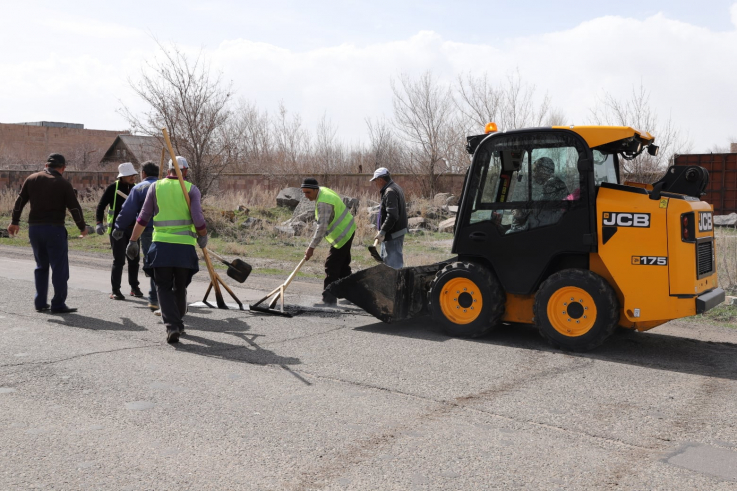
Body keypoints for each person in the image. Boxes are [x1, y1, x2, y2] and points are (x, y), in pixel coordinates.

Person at [126, 157, 208, 344]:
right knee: (180, 287)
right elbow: (198, 218)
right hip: (184, 249)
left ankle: (172, 325)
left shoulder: (155, 188)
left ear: (169, 169)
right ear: (185, 171)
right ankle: (177, 324)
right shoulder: (191, 190)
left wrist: (133, 240)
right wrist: (203, 234)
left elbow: (143, 217)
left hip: (161, 246)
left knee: (163, 286)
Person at [7, 153, 88, 313]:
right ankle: (58, 304)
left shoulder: (32, 179)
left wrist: (14, 221)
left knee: (41, 266)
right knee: (59, 268)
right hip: (54, 229)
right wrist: (82, 227)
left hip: (35, 229)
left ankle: (40, 302)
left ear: (46, 165)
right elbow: (74, 208)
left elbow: (20, 201)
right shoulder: (63, 183)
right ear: (63, 168)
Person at [301, 178, 356, 307]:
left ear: (315, 190)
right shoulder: (323, 191)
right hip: (348, 229)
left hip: (343, 233)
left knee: (331, 265)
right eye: (304, 192)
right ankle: (353, 295)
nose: (306, 196)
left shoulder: (323, 203)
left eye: (308, 192)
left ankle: (329, 300)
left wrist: (311, 247)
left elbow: (321, 228)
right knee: (342, 267)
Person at [113, 160, 159, 311]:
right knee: (165, 261)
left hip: (147, 230)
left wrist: (119, 226)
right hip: (168, 230)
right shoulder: (165, 186)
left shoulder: (139, 188)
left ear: (143, 173)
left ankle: (154, 297)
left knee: (152, 261)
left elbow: (128, 210)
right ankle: (166, 294)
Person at [96, 162, 141, 300]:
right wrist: (99, 223)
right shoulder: (113, 188)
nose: (133, 177)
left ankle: (134, 287)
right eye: (130, 175)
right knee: (119, 260)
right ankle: (116, 290)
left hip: (133, 230)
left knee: (134, 259)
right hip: (118, 231)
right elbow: (101, 206)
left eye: (134, 174)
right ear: (122, 177)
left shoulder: (135, 188)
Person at [508, 157, 570, 233]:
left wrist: (521, 213)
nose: (534, 175)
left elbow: (537, 208)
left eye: (535, 171)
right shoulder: (554, 183)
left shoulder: (553, 185)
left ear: (543, 170)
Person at [370, 167, 407, 269]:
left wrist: (382, 232)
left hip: (393, 234)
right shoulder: (394, 187)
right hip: (393, 233)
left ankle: (396, 284)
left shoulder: (390, 191)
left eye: (375, 181)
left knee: (393, 267)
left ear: (380, 180)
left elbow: (392, 215)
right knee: (388, 264)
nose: (375, 184)